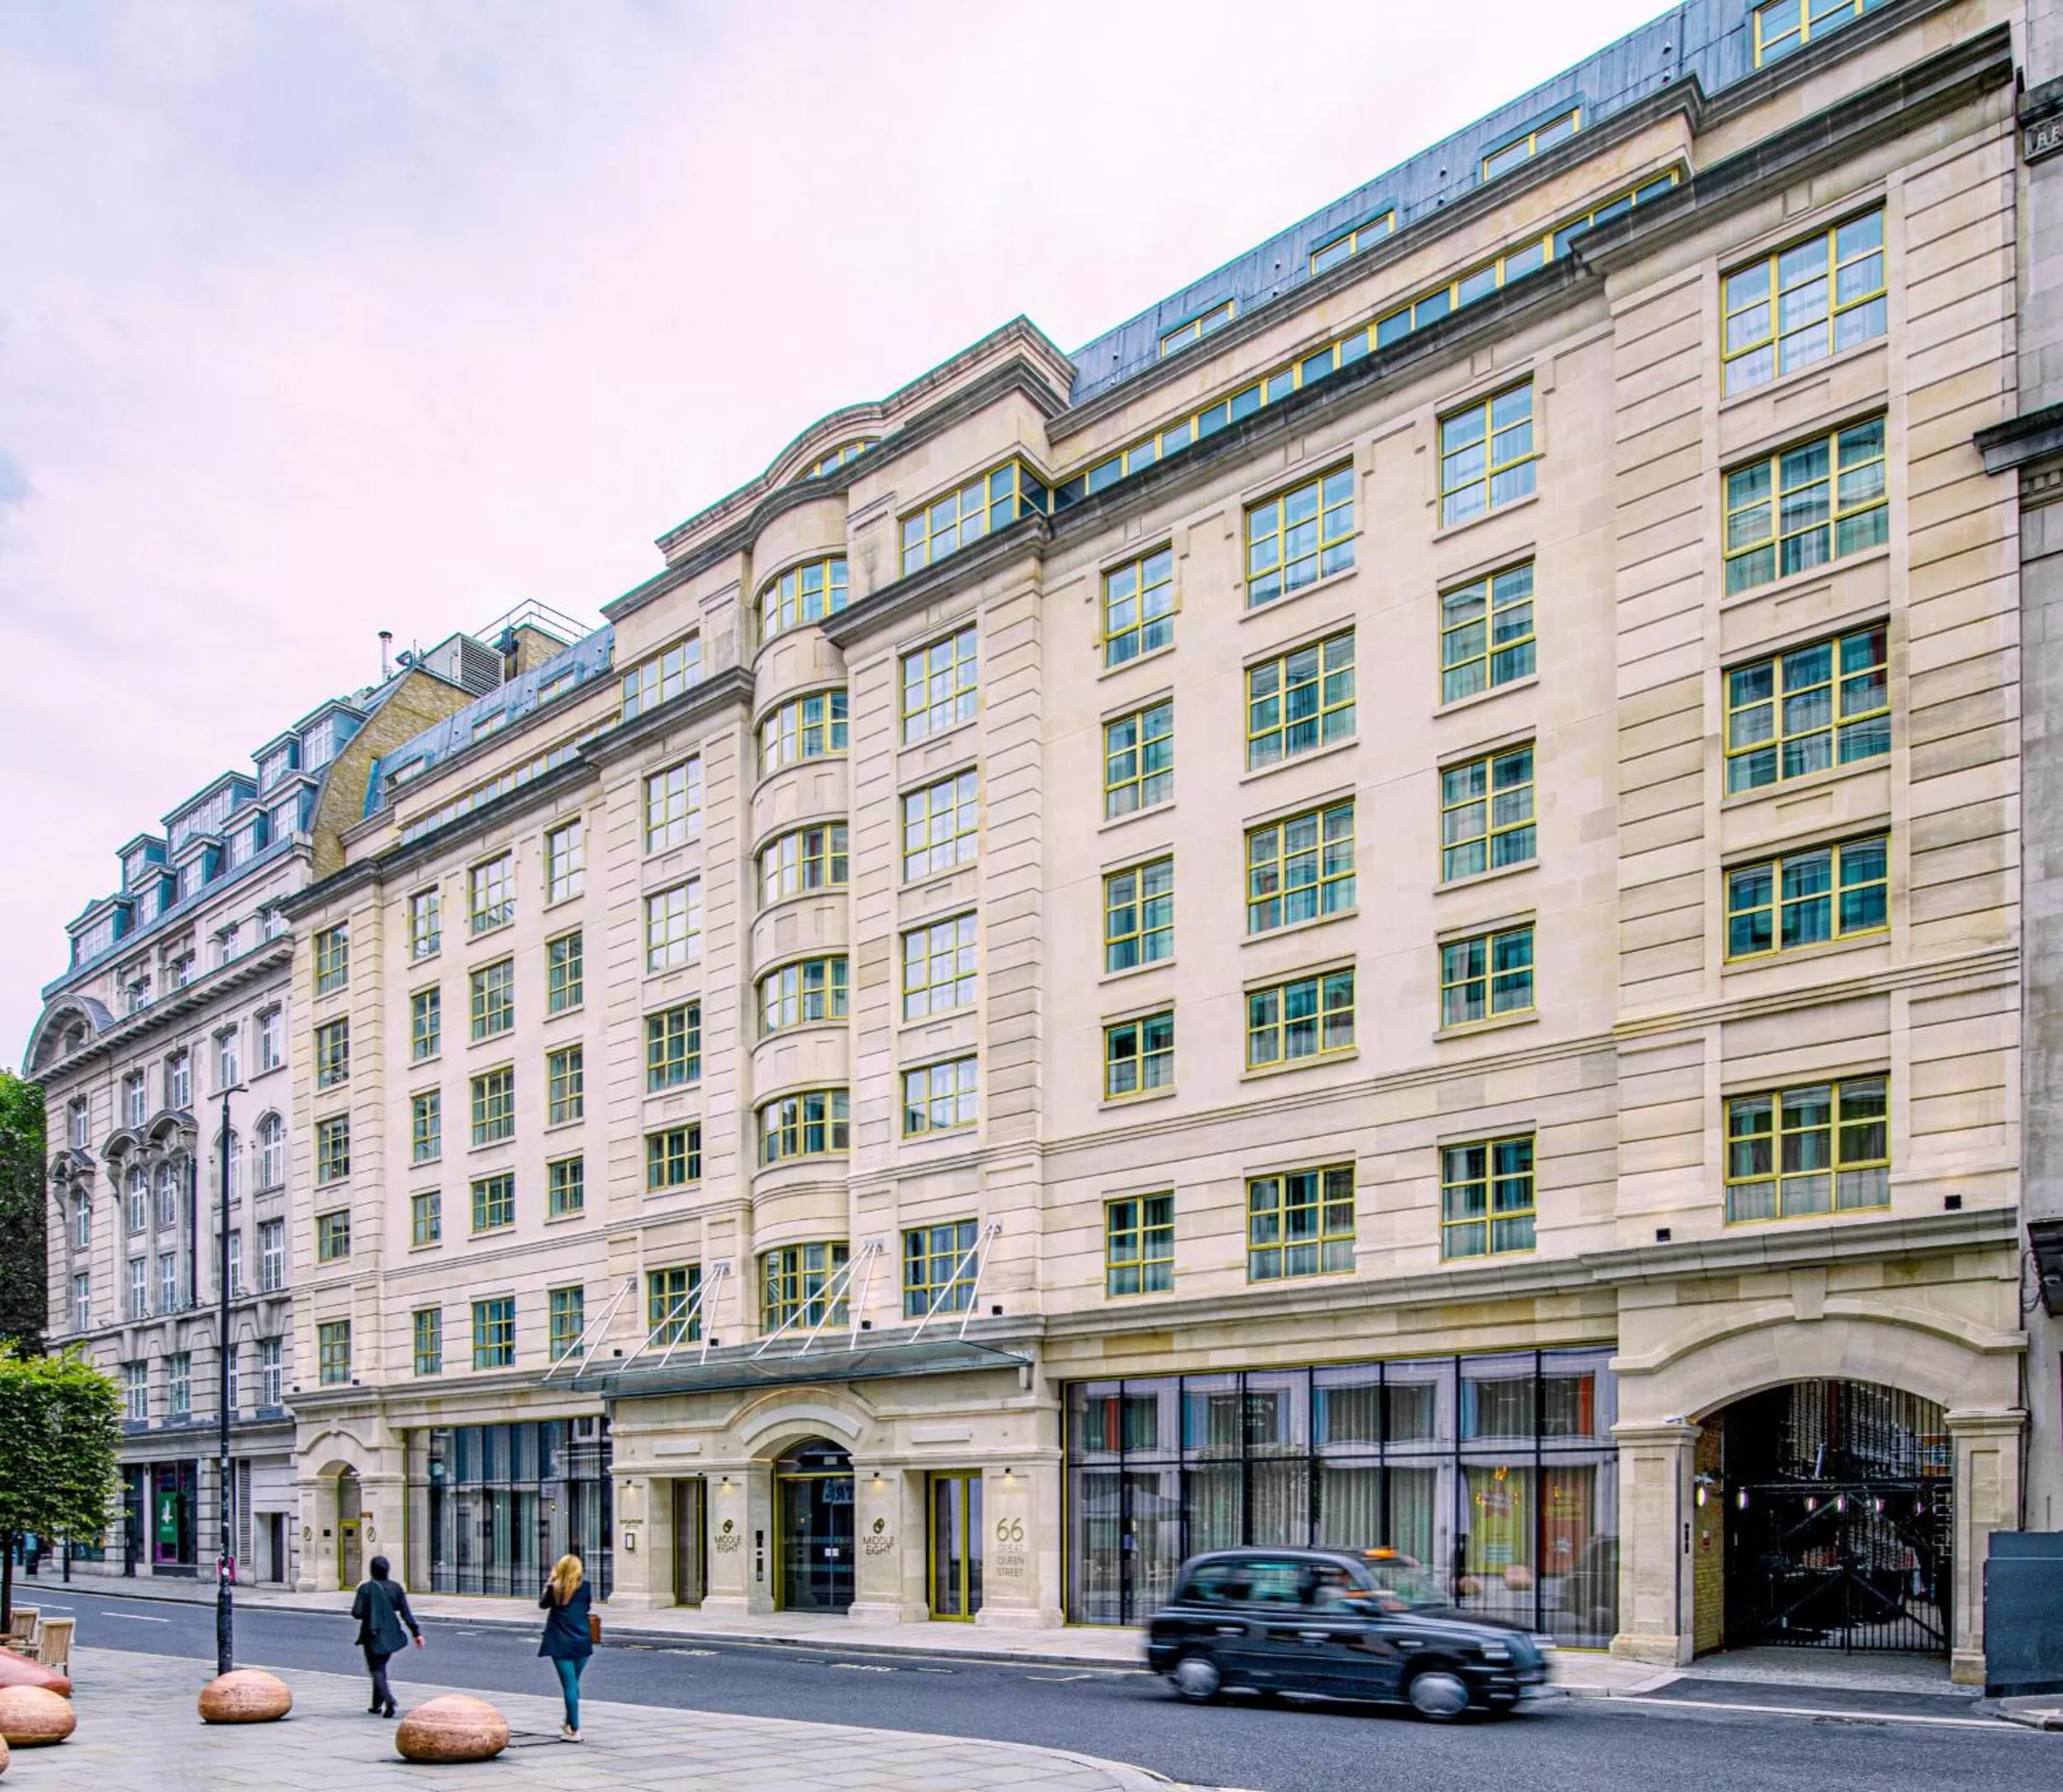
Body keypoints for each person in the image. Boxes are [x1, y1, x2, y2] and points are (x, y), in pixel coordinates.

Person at [350, 1555, 424, 1717]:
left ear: (371, 1570)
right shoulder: (396, 1588)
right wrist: (416, 1633)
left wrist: (371, 1611)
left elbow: (356, 1612)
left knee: (376, 1668)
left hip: (372, 1632)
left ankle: (388, 1699)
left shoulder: (366, 1588)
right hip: (390, 1632)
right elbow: (406, 1613)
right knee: (381, 1666)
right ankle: (376, 1705)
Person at [537, 1553, 593, 1742]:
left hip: (560, 1641)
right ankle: (569, 1723)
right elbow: (587, 1608)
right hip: (582, 1640)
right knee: (573, 1684)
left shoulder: (554, 1589)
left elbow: (542, 1605)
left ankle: (574, 1730)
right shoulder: (585, 1587)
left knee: (570, 1685)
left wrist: (550, 1581)